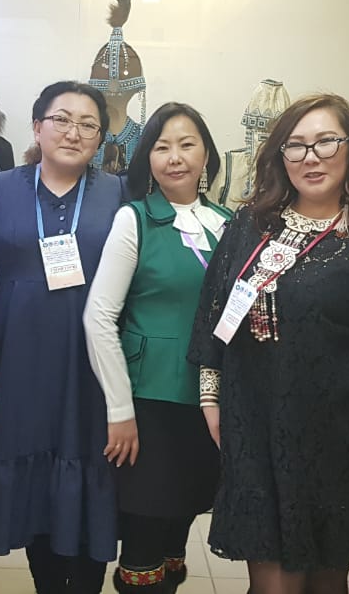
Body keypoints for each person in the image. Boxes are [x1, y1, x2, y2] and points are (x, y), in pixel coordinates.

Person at [187, 93, 349, 594]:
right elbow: (214, 313)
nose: (310, 157)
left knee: (325, 583)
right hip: (256, 431)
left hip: (338, 440)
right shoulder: (249, 227)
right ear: (280, 156)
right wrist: (211, 396)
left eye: (326, 142)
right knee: (272, 586)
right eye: (296, 145)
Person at [0, 81, 125, 594]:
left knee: (92, 464)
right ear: (37, 127)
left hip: (94, 363)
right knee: (35, 477)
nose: (73, 132)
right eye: (61, 119)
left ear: (100, 138)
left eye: (88, 125)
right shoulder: (0, 188)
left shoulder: (118, 193)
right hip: (22, 360)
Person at [83, 102, 230, 593]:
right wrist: (119, 410)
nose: (175, 157)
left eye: (187, 144)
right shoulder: (136, 219)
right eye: (162, 147)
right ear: (147, 157)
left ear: (206, 154)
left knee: (179, 527)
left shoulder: (228, 224)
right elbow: (98, 317)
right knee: (144, 535)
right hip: (148, 402)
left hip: (209, 401)